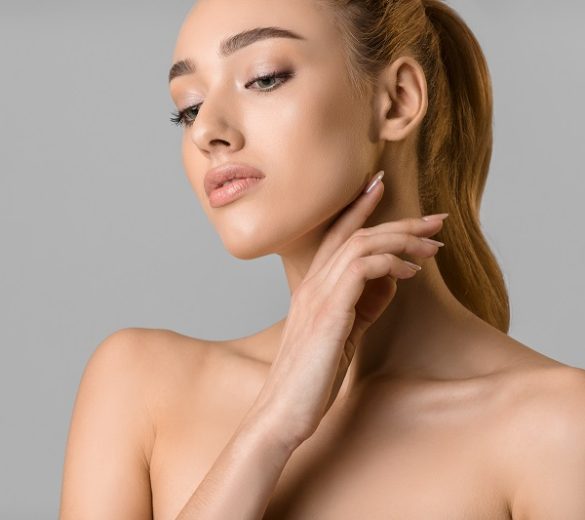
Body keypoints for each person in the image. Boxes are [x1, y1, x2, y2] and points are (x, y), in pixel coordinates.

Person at [59, 0, 585, 518]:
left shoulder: (559, 429)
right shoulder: (138, 387)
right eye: (189, 107)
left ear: (398, 101)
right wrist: (271, 424)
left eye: (263, 78)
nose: (205, 130)